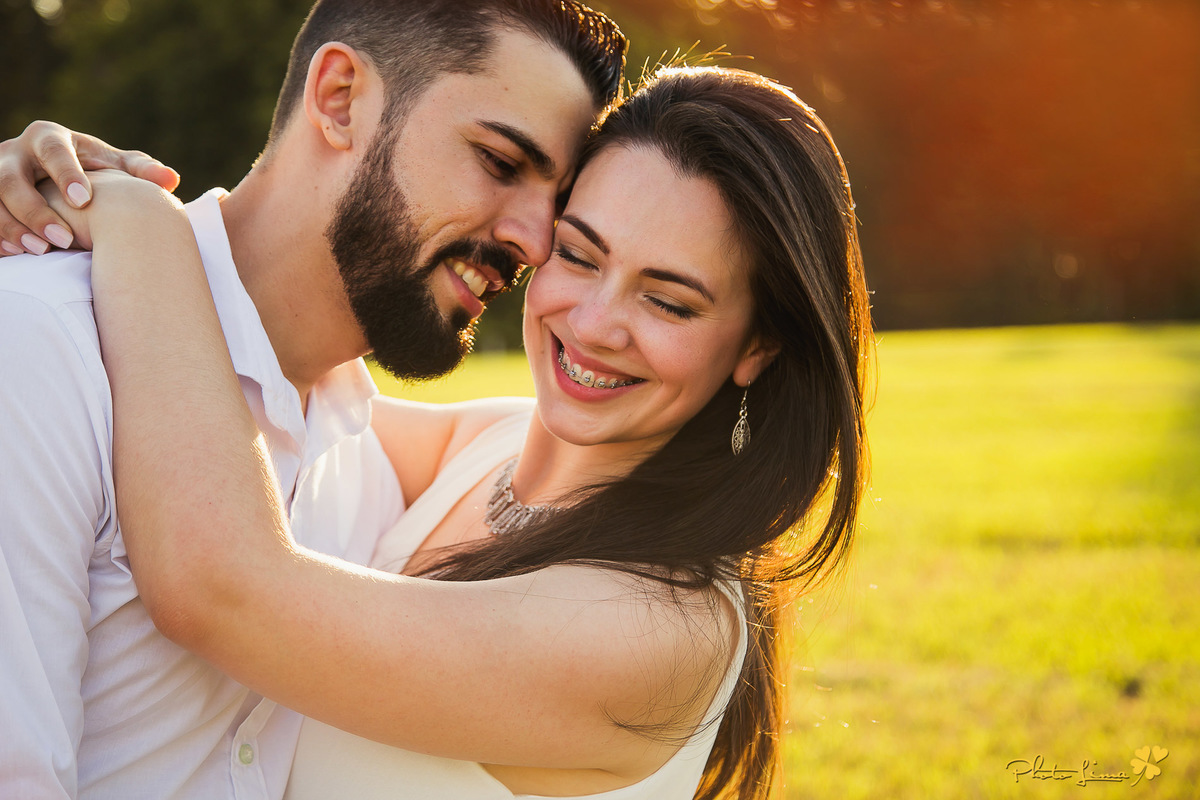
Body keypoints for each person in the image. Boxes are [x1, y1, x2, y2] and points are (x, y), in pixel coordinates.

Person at [14, 64, 872, 798]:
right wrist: (49, 184)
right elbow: (255, 394)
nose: (596, 321)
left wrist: (139, 222)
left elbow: (222, 588)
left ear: (758, 345)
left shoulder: (666, 630)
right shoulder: (487, 448)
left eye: (668, 300)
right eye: (578, 254)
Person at [0, 1, 625, 797]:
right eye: (501, 162)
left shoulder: (364, 463)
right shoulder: (38, 348)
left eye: (557, 200)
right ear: (338, 98)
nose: (536, 244)